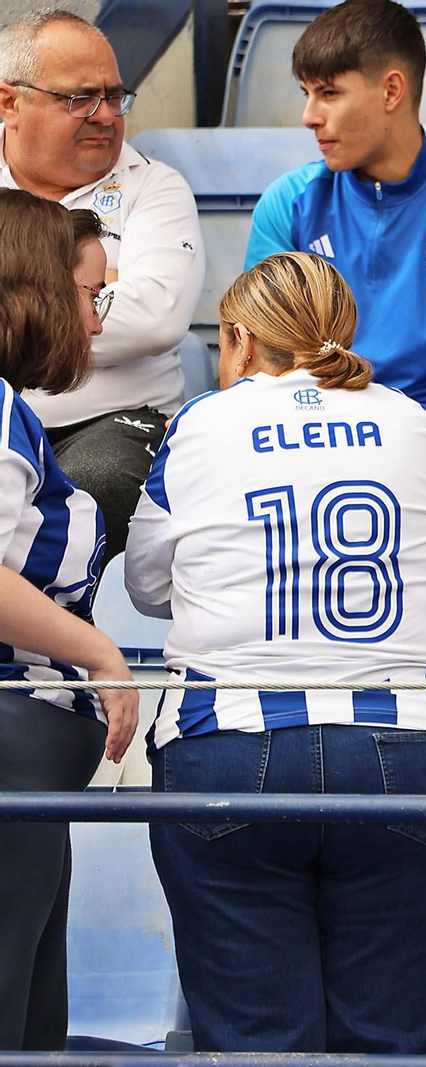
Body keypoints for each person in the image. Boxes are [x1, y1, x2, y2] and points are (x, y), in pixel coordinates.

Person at [123, 252, 426, 1053]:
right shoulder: (416, 423)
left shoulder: (198, 424)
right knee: (386, 1043)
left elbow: (149, 585)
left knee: (258, 1045)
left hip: (229, 744)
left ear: (238, 339)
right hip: (416, 746)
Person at [246, 0, 426, 541]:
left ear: (392, 91)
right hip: (313, 421)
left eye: (328, 93)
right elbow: (258, 352)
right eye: (307, 94)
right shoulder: (289, 203)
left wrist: (418, 429)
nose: (309, 116)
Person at [0, 188, 137, 1051]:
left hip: (27, 752)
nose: (95, 323)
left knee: (32, 1020)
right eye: (92, 296)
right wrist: (100, 652)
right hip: (11, 733)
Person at [0, 8, 205, 558]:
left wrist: (17, 303)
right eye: (80, 99)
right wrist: (98, 285)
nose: (106, 115)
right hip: (0, 415)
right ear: (10, 103)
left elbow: (156, 318)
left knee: (86, 496)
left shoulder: (155, 186)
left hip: (117, 424)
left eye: (116, 97)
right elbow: (124, 312)